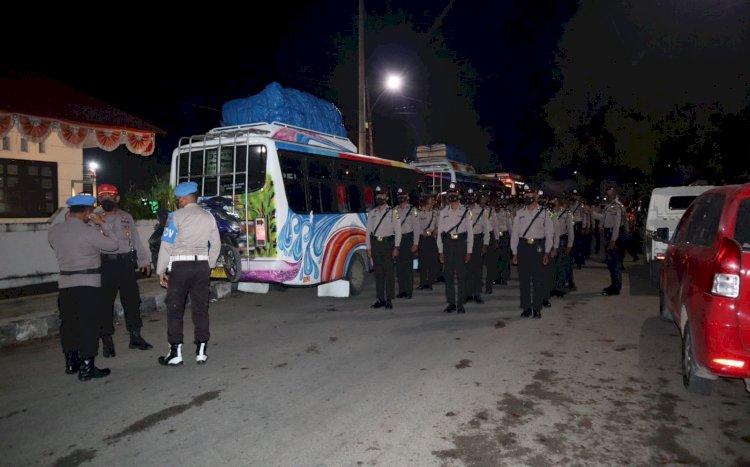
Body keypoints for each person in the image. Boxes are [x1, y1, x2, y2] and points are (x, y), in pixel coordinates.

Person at [48, 194, 119, 381]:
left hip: (65, 285)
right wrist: (102, 224)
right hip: (88, 285)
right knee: (89, 325)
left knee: (69, 325)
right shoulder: (89, 232)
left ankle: (71, 362)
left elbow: (57, 244)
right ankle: (88, 367)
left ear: (69, 211)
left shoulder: (55, 231)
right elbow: (113, 244)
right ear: (88, 212)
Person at [156, 181, 221, 366]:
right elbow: (216, 245)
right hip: (201, 266)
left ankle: (175, 353)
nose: (178, 203)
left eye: (178, 200)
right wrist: (209, 265)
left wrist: (161, 270)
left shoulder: (176, 217)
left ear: (184, 199)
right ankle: (201, 351)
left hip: (180, 266)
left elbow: (167, 244)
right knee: (201, 308)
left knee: (175, 309)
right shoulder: (208, 216)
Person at [95, 184, 153, 357]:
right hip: (105, 265)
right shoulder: (94, 219)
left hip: (126, 264)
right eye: (102, 197)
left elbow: (135, 240)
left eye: (109, 197)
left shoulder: (126, 217)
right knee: (105, 304)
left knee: (132, 301)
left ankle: (135, 336)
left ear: (117, 199)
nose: (106, 200)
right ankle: (107, 341)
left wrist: (144, 260)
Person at [510, 185, 554, 319]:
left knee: (537, 280)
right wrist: (514, 252)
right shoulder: (520, 213)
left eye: (531, 196)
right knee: (524, 280)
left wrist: (547, 252)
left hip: (538, 247)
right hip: (523, 247)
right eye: (526, 196)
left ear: (537, 197)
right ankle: (526, 308)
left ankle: (537, 308)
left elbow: (549, 234)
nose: (528, 198)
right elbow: (515, 234)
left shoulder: (545, 213)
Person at [437, 183, 473, 314]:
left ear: (459, 195)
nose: (452, 196)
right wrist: (440, 251)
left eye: (455, 193)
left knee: (461, 276)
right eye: (450, 193)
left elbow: (470, 232)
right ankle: (451, 302)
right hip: (447, 244)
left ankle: (461, 303)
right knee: (449, 276)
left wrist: (469, 251)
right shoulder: (443, 213)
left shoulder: (466, 212)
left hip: (460, 244)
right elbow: (440, 232)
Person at [365, 186, 401, 309]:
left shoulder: (393, 212)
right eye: (378, 195)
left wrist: (396, 247)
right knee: (378, 273)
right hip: (376, 245)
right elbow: (368, 231)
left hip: (387, 245)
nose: (379, 197)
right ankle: (380, 298)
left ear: (387, 197)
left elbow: (398, 230)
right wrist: (368, 248)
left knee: (388, 273)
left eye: (382, 195)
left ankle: (389, 299)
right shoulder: (372, 213)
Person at [464, 188, 490, 304]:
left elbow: (486, 229)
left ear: (475, 198)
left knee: (477, 268)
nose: (470, 199)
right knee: (466, 268)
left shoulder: (482, 211)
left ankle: (477, 292)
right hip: (465, 241)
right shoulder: (462, 210)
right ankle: (468, 292)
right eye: (468, 197)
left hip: (478, 240)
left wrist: (485, 243)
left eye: (472, 197)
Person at [395, 188, 419, 299]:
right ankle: (402, 291)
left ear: (407, 196)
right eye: (399, 195)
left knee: (408, 267)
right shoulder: (394, 210)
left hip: (408, 239)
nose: (401, 197)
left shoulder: (413, 210)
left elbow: (416, 227)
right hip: (398, 240)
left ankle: (409, 291)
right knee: (400, 267)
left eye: (403, 195)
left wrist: (415, 243)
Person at [600, 185, 624, 296]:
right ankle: (614, 284)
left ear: (613, 193)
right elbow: (603, 218)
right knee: (611, 262)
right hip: (608, 234)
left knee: (614, 262)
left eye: (608, 193)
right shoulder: (609, 206)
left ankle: (616, 286)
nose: (607, 195)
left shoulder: (617, 206)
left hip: (612, 235)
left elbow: (617, 224)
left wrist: (613, 240)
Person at [416, 192, 439, 290]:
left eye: (433, 200)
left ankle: (430, 282)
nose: (433, 202)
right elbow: (416, 227)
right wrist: (422, 233)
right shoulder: (419, 214)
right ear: (427, 201)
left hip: (431, 239)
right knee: (423, 261)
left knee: (431, 261)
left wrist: (435, 231)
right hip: (422, 238)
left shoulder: (435, 213)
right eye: (431, 200)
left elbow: (437, 226)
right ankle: (422, 282)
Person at [490, 196, 513, 288]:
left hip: (504, 236)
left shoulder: (506, 213)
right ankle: (497, 276)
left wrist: (512, 239)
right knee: (496, 258)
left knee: (504, 257)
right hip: (494, 237)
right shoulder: (490, 212)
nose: (498, 205)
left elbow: (510, 226)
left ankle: (504, 276)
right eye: (496, 202)